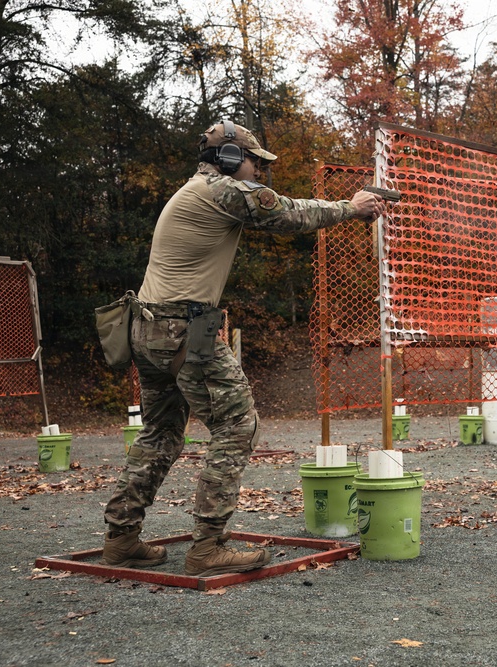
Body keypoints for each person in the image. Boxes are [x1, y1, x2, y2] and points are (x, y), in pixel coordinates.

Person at [101, 121, 385, 576]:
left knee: (160, 434)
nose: (259, 172)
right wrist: (350, 208)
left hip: (147, 327)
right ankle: (208, 546)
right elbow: (289, 215)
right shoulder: (222, 191)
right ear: (232, 159)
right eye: (255, 162)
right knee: (237, 426)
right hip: (183, 329)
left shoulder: (195, 191)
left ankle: (121, 539)